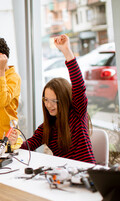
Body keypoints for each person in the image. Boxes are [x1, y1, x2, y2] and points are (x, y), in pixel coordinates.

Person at [10, 34, 95, 164]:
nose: (49, 105)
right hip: (63, 176)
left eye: (55, 101)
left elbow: (78, 85)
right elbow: (27, 147)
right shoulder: (47, 128)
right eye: (46, 100)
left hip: (87, 174)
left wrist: (66, 51)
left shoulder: (77, 114)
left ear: (65, 100)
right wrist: (13, 144)